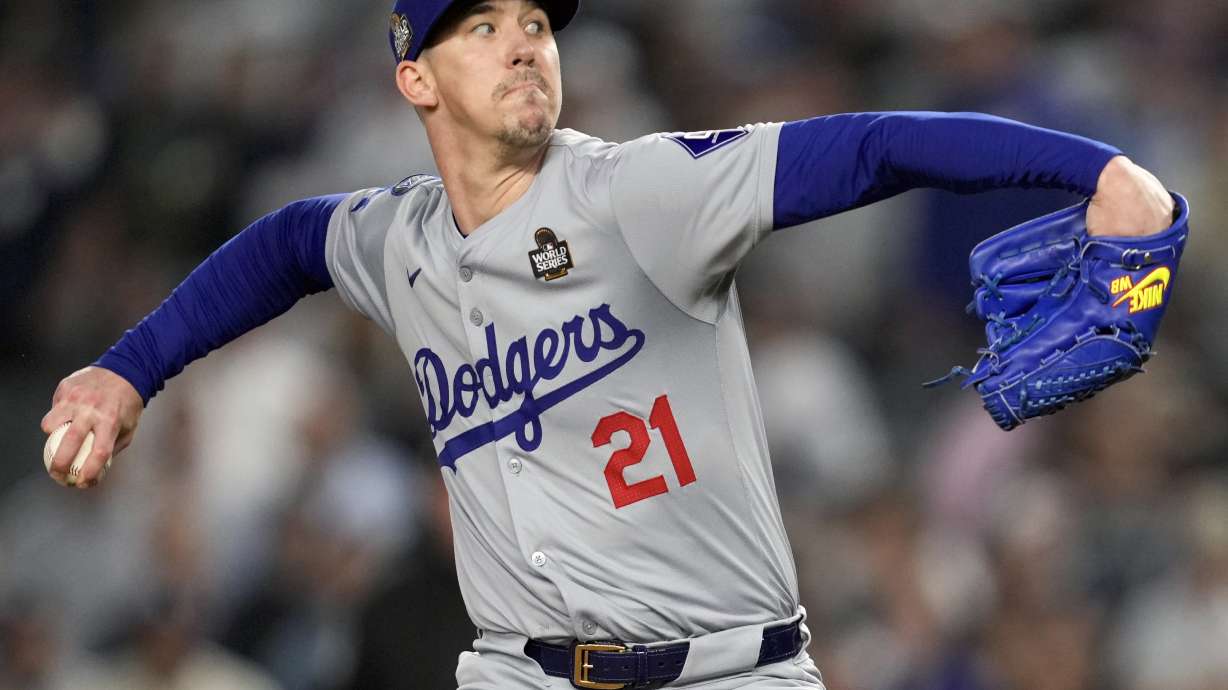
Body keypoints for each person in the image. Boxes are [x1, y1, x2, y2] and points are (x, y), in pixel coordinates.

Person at [42, 1, 1175, 688]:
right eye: (480, 27)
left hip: (734, 672)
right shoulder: (395, 241)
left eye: (534, 23)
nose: (526, 43)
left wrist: (1099, 173)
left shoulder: (638, 191)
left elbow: (872, 146)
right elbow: (288, 243)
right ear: (415, 80)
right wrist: (126, 367)